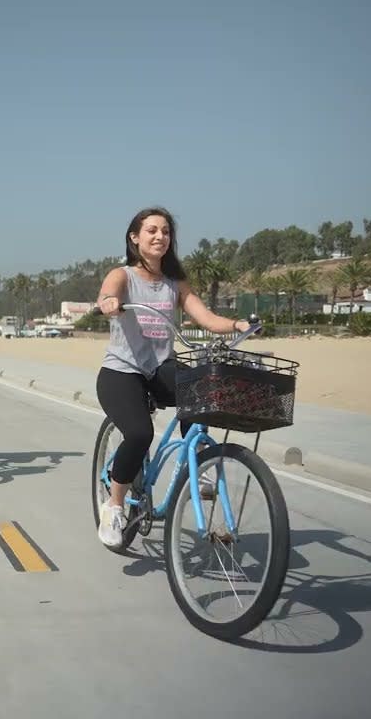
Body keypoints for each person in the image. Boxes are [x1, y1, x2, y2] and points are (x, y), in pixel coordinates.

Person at [94, 207, 252, 549]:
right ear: (135, 237)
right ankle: (114, 505)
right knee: (139, 433)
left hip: (160, 369)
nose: (159, 236)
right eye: (151, 230)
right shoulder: (123, 275)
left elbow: (206, 318)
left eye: (165, 231)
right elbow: (108, 292)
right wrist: (108, 302)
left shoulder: (174, 283)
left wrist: (238, 325)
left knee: (201, 388)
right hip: (121, 372)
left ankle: (200, 468)